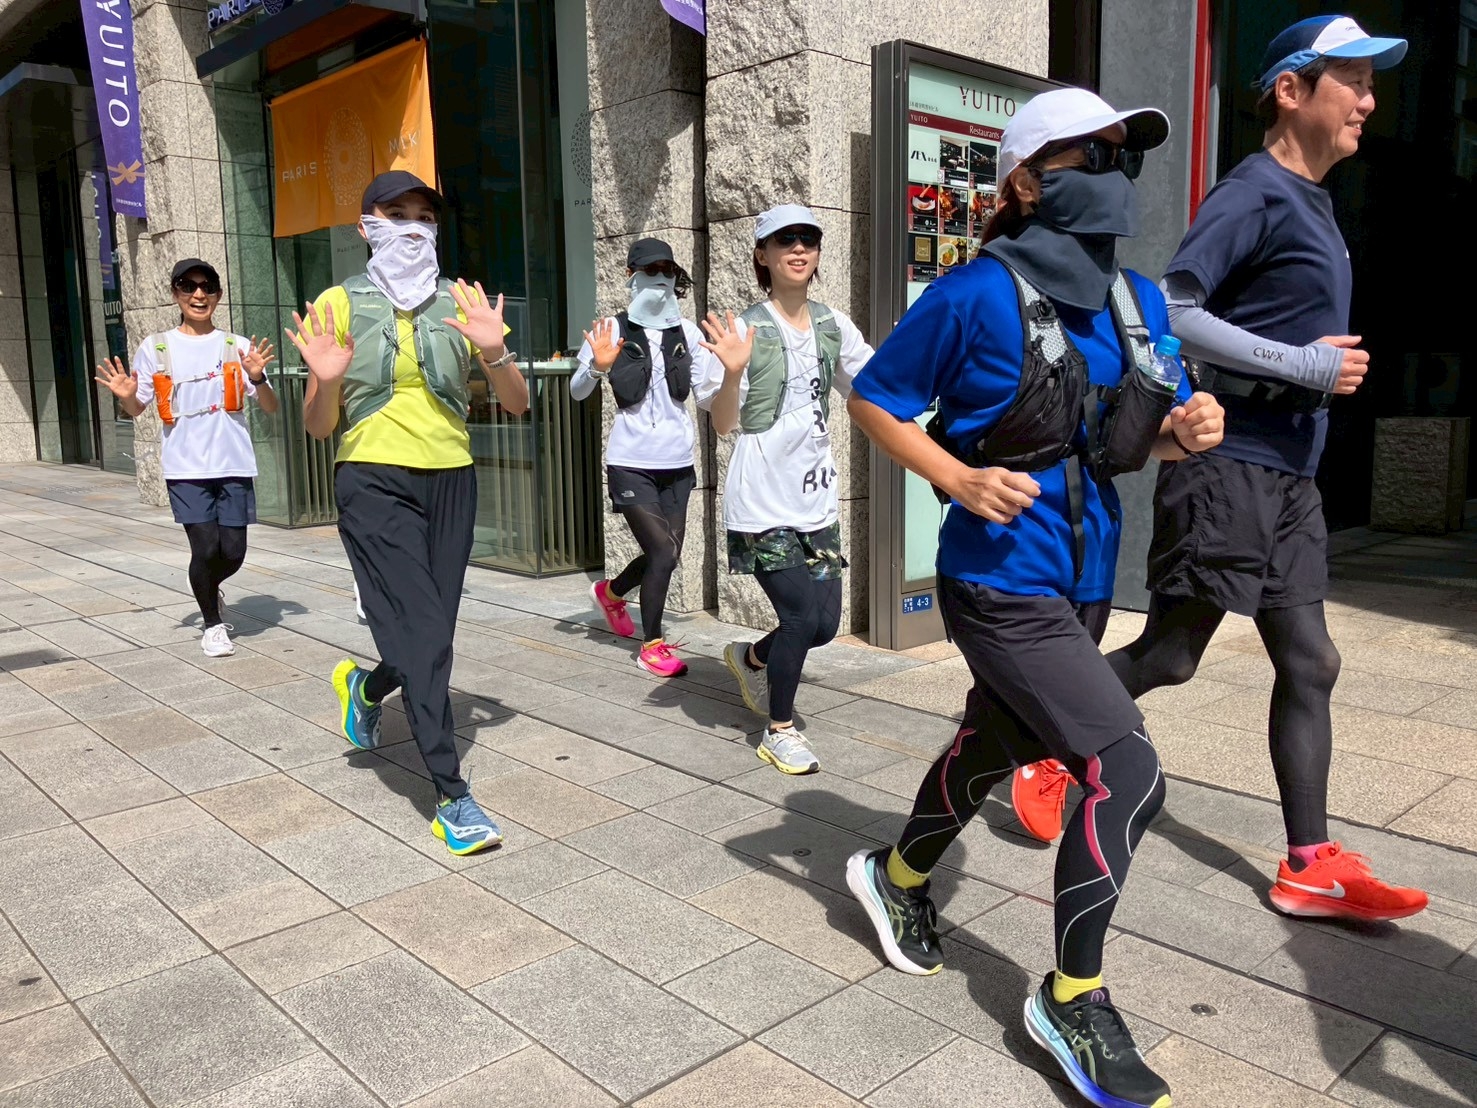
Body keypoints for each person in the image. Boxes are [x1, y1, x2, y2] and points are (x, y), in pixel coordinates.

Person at [845, 89, 1225, 1108]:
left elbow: (1115, 438)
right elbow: (875, 396)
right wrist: (955, 477)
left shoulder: (1135, 300)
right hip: (997, 579)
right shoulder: (973, 295)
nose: (1111, 174)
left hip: (1085, 581)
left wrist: (1182, 432)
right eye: (1085, 156)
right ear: (1023, 181)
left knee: (994, 743)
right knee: (1125, 769)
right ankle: (1070, 998)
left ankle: (895, 877)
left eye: (1120, 156)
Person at [1008, 16, 1429, 924]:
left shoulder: (1314, 201)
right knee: (1171, 655)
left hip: (1289, 475)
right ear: (1291, 89)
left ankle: (1308, 863)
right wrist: (1300, 364)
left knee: (1311, 659)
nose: (1367, 101)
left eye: (1371, 85)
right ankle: (1044, 744)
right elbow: (1176, 306)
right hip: (1228, 465)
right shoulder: (1255, 191)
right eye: (1352, 81)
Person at [288, 170, 529, 857]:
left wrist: (494, 351)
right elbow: (317, 426)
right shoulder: (338, 301)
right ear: (366, 226)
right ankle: (452, 795)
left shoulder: (460, 300)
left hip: (451, 478)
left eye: (425, 216)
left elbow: (516, 403)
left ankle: (367, 688)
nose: (413, 227)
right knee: (426, 639)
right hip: (371, 478)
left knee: (430, 634)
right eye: (397, 214)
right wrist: (326, 383)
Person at [696, 204, 874, 775]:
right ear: (762, 254)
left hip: (815, 499)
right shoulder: (740, 330)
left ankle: (750, 658)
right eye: (785, 240)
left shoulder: (833, 324)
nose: (799, 249)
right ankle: (778, 730)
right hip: (762, 501)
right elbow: (725, 423)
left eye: (808, 239)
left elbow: (871, 386)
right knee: (798, 617)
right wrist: (732, 371)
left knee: (823, 625)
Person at [95, 258, 279, 658]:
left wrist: (258, 377)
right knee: (206, 548)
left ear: (218, 294)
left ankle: (210, 589)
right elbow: (138, 408)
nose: (199, 294)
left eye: (207, 286)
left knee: (234, 552)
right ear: (175, 293)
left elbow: (270, 406)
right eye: (188, 286)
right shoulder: (156, 347)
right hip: (186, 467)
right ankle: (213, 625)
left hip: (233, 463)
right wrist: (126, 396)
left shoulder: (236, 346)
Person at [576, 238, 718, 677]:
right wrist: (597, 366)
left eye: (667, 270)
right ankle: (652, 645)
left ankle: (612, 593)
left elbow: (708, 396)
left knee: (667, 555)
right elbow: (577, 390)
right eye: (650, 269)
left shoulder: (688, 332)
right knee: (661, 550)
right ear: (631, 275)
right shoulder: (611, 328)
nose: (660, 277)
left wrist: (733, 370)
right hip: (631, 461)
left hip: (678, 463)